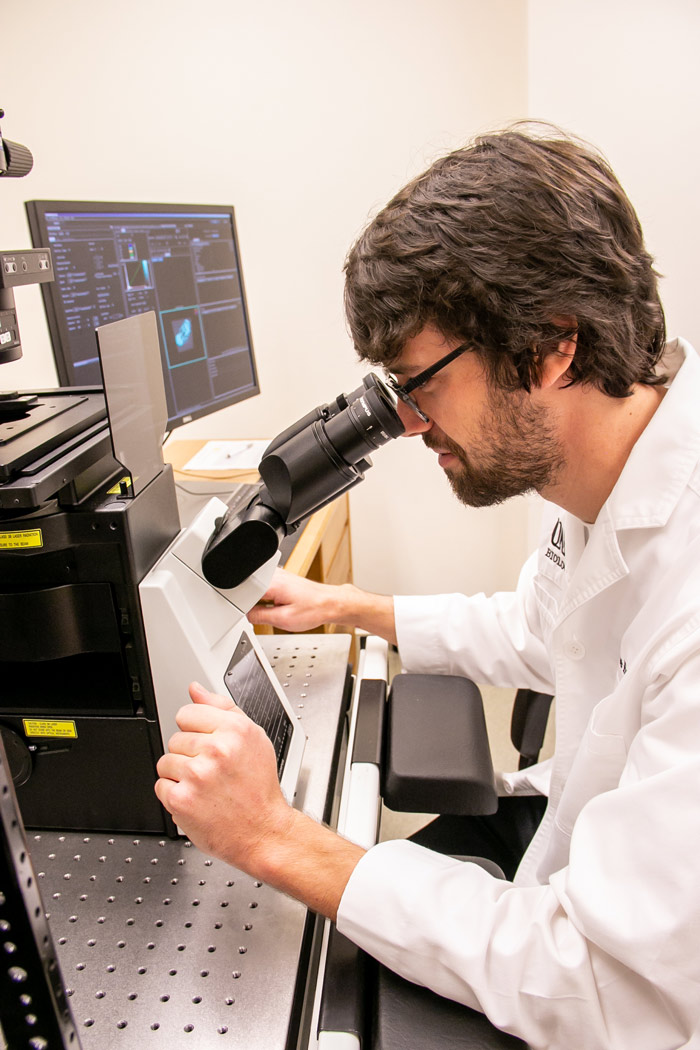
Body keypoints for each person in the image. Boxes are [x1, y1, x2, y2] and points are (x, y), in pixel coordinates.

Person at [155, 124, 700, 1049]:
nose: (406, 425)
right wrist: (350, 607)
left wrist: (277, 837)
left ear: (550, 346)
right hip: (569, 863)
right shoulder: (608, 468)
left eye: (420, 385)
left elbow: (612, 991)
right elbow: (541, 627)